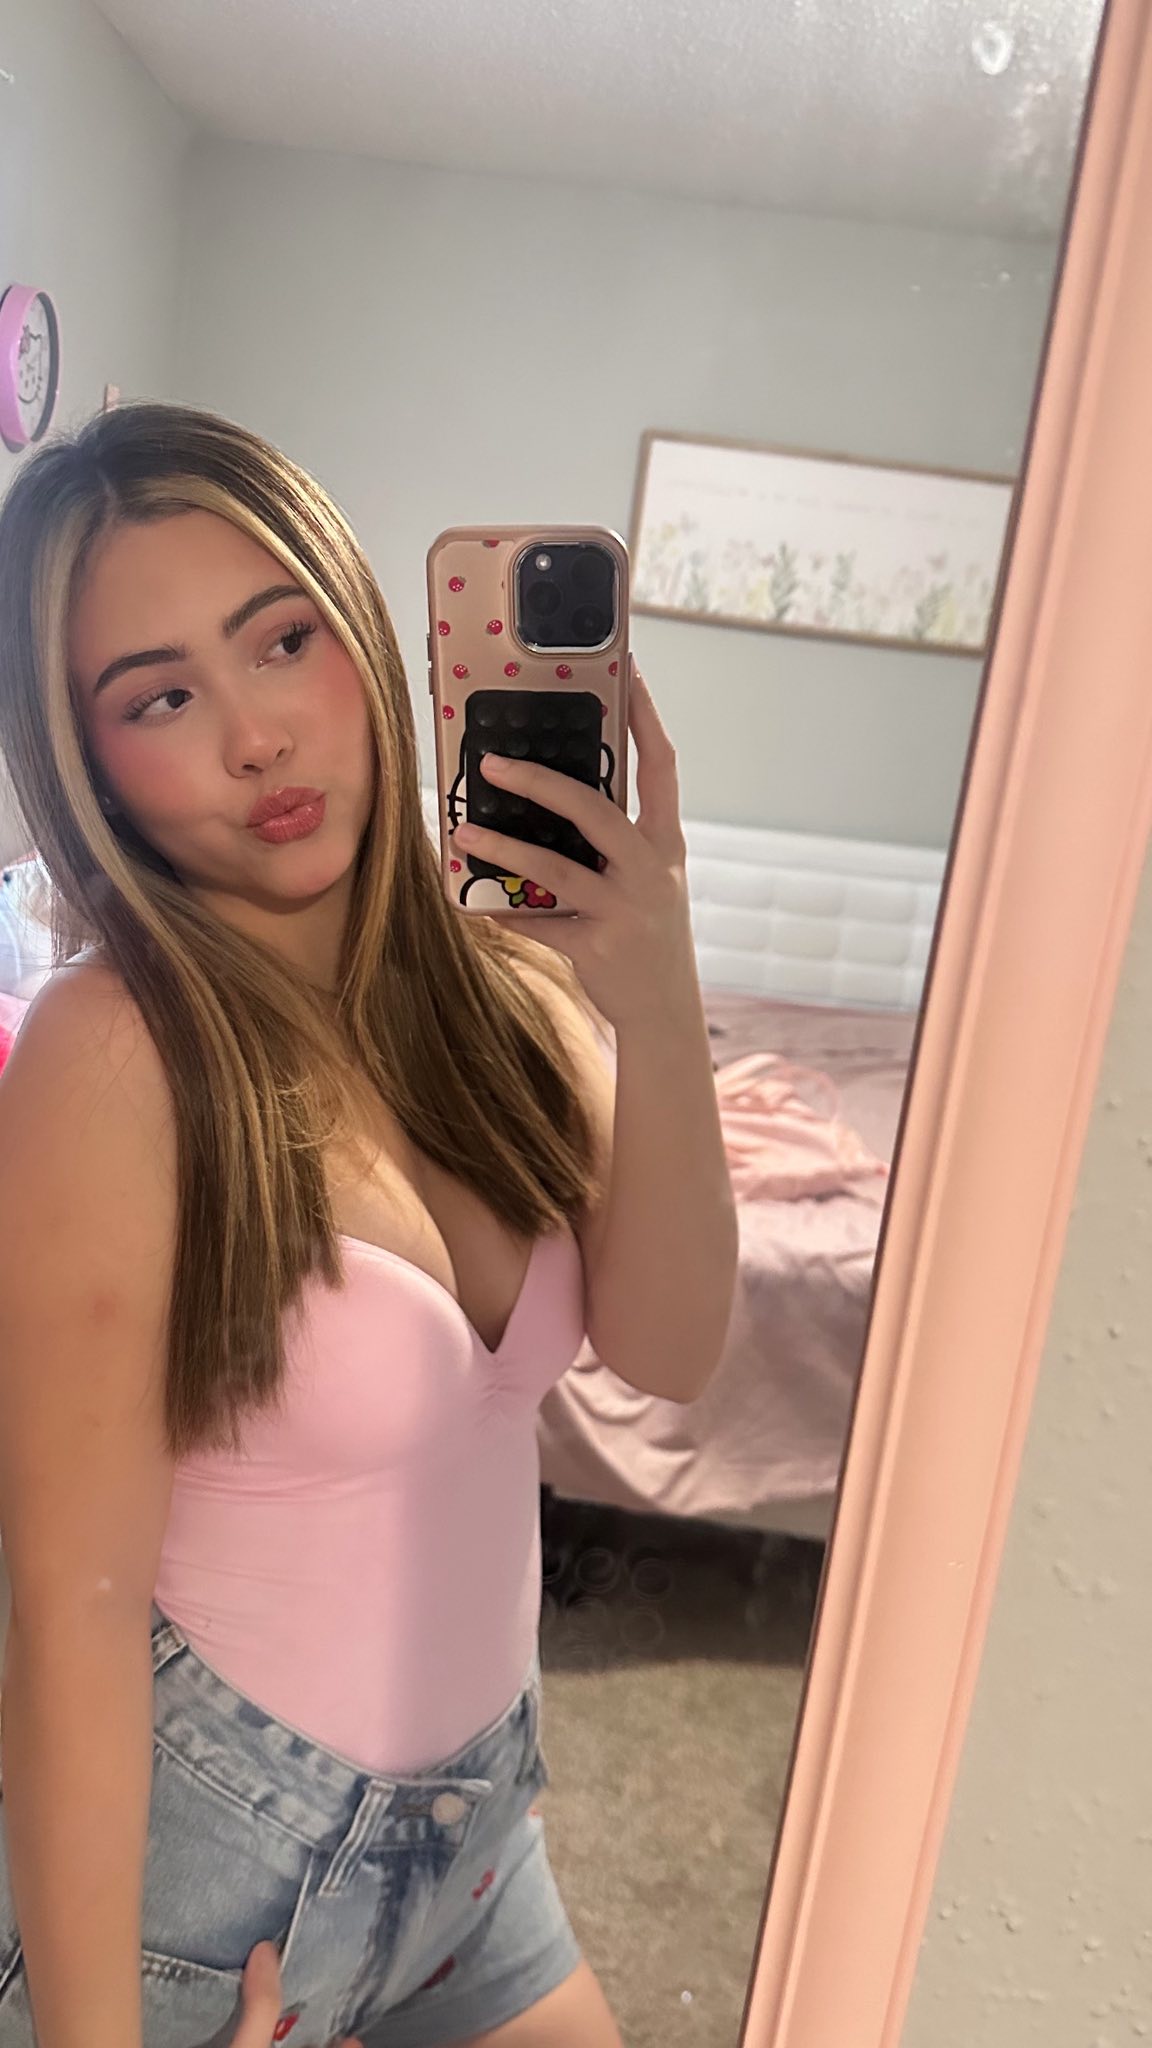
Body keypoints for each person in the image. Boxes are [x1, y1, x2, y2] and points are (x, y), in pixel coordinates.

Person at [0, 403, 738, 2048]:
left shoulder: (507, 989)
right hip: (209, 1898)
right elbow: (70, 1617)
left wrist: (658, 993)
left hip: (478, 1848)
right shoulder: (115, 1053)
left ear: (365, 634)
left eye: (283, 641)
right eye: (162, 697)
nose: (257, 738)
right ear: (89, 761)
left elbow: (674, 1349)